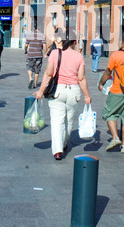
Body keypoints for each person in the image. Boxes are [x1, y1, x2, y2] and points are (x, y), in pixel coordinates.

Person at [34, 32, 91, 161]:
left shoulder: (55, 53)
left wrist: (41, 91)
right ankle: (64, 143)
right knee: (68, 121)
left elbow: (48, 74)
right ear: (74, 42)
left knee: (57, 122)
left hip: (58, 90)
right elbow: (81, 78)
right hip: (74, 91)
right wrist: (87, 95)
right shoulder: (78, 56)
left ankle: (58, 150)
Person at [25, 24, 47, 89]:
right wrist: (45, 53)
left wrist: (25, 50)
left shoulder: (29, 35)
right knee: (37, 69)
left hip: (30, 54)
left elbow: (26, 45)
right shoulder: (42, 35)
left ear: (33, 28)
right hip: (39, 55)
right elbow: (44, 46)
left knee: (29, 67)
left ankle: (30, 79)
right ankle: (35, 84)